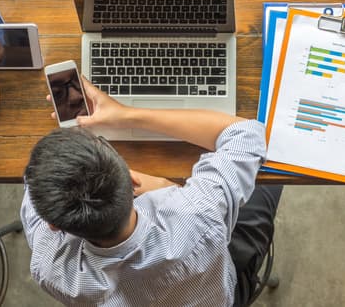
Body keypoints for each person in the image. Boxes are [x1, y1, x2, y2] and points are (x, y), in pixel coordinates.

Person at [21, 76, 282, 306]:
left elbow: (34, 189)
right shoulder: (196, 214)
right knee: (273, 178)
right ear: (134, 181)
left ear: (53, 226)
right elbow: (246, 134)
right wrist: (126, 115)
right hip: (225, 293)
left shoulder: (50, 268)